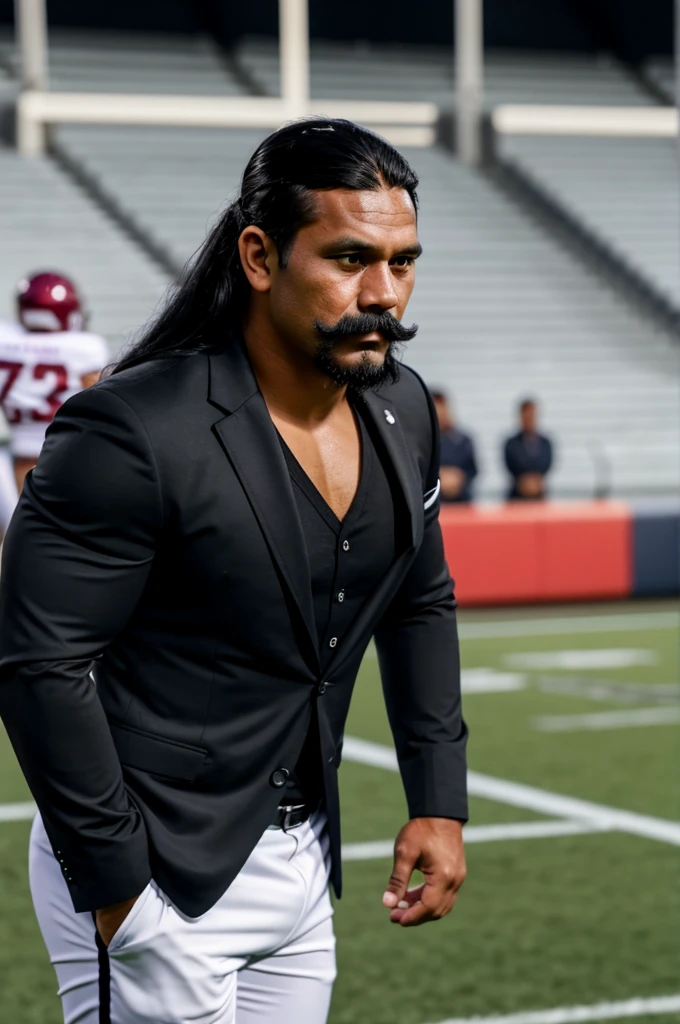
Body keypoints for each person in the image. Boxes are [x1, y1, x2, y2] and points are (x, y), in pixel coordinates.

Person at [0, 119, 468, 1024]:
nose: (384, 292)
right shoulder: (130, 429)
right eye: (348, 258)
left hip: (303, 867)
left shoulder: (403, 405)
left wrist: (438, 801)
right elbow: (37, 662)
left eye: (403, 260)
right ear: (260, 256)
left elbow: (421, 601)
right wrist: (120, 893)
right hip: (156, 871)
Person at [0, 272, 107, 497]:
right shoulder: (85, 347)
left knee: (15, 524)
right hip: (69, 455)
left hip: (20, 454)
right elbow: (101, 402)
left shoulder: (5, 340)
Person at [430, 389, 478, 503]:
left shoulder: (463, 439)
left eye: (442, 407)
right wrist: (440, 475)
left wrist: (459, 477)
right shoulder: (423, 441)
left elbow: (473, 470)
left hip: (461, 498)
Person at [504, 397, 553, 500]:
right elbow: (511, 465)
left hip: (540, 494)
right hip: (517, 495)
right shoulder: (511, 443)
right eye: (526, 415)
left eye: (532, 415)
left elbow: (547, 463)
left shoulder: (545, 442)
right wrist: (525, 481)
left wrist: (535, 480)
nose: (529, 419)